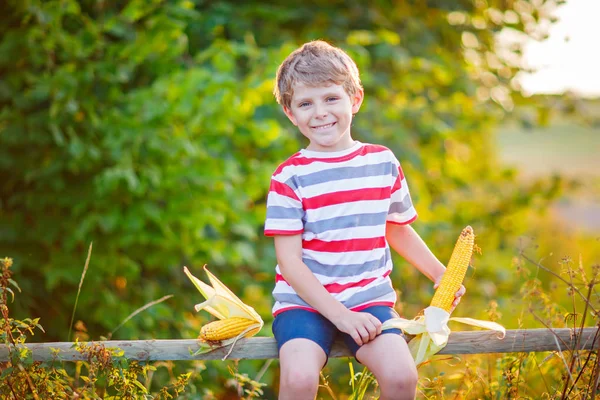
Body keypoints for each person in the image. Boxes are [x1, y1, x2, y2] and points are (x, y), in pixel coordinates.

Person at [264, 40, 465, 400]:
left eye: (330, 98)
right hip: (305, 303)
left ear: (354, 99)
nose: (320, 112)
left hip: (368, 300)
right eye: (305, 104)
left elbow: (396, 228)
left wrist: (440, 274)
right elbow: (289, 263)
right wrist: (340, 316)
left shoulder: (382, 162)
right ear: (290, 113)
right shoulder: (289, 176)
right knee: (298, 379)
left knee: (402, 378)